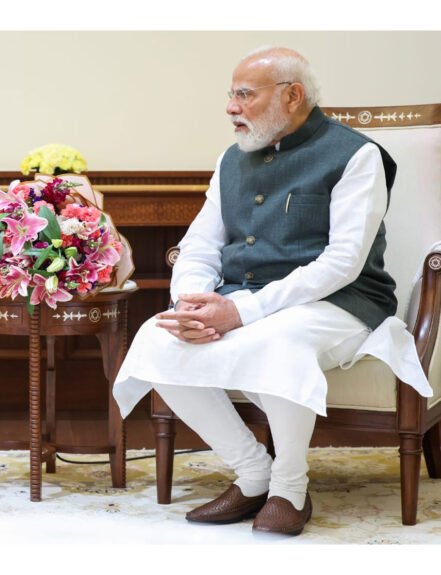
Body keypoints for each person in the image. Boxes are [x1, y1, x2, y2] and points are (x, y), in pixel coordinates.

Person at [112, 46, 431, 536]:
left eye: (244, 94)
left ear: (292, 95)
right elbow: (201, 244)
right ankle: (253, 473)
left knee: (277, 341)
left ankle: (289, 489)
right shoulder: (231, 160)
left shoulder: (356, 155)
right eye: (231, 94)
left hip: (340, 303)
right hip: (242, 298)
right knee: (160, 337)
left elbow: (342, 263)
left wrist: (241, 313)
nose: (230, 107)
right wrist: (191, 301)